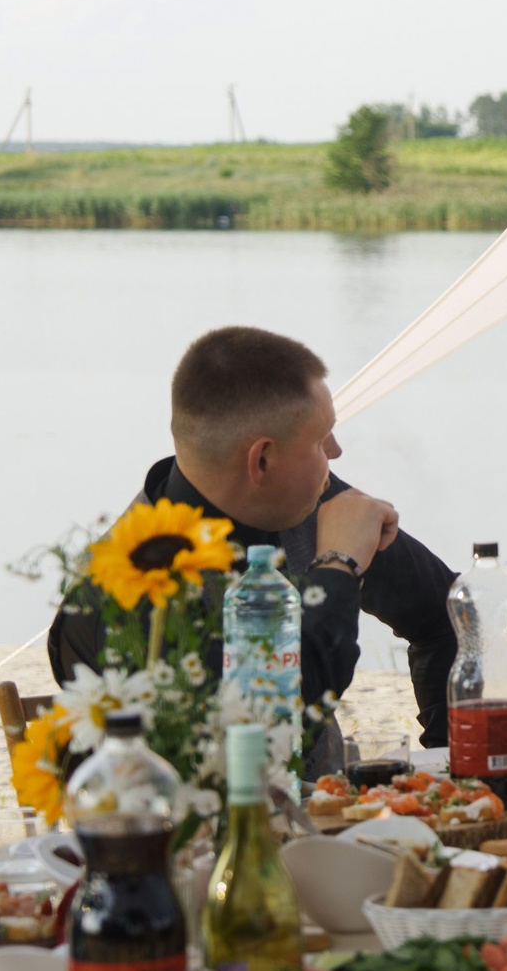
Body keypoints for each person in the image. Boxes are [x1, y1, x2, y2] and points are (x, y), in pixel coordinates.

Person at [48, 326, 461, 761]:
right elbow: (263, 736)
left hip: (335, 804)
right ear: (261, 460)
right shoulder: (122, 597)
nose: (336, 451)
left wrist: (453, 764)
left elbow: (447, 614)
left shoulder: (300, 499)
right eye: (321, 440)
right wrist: (339, 566)